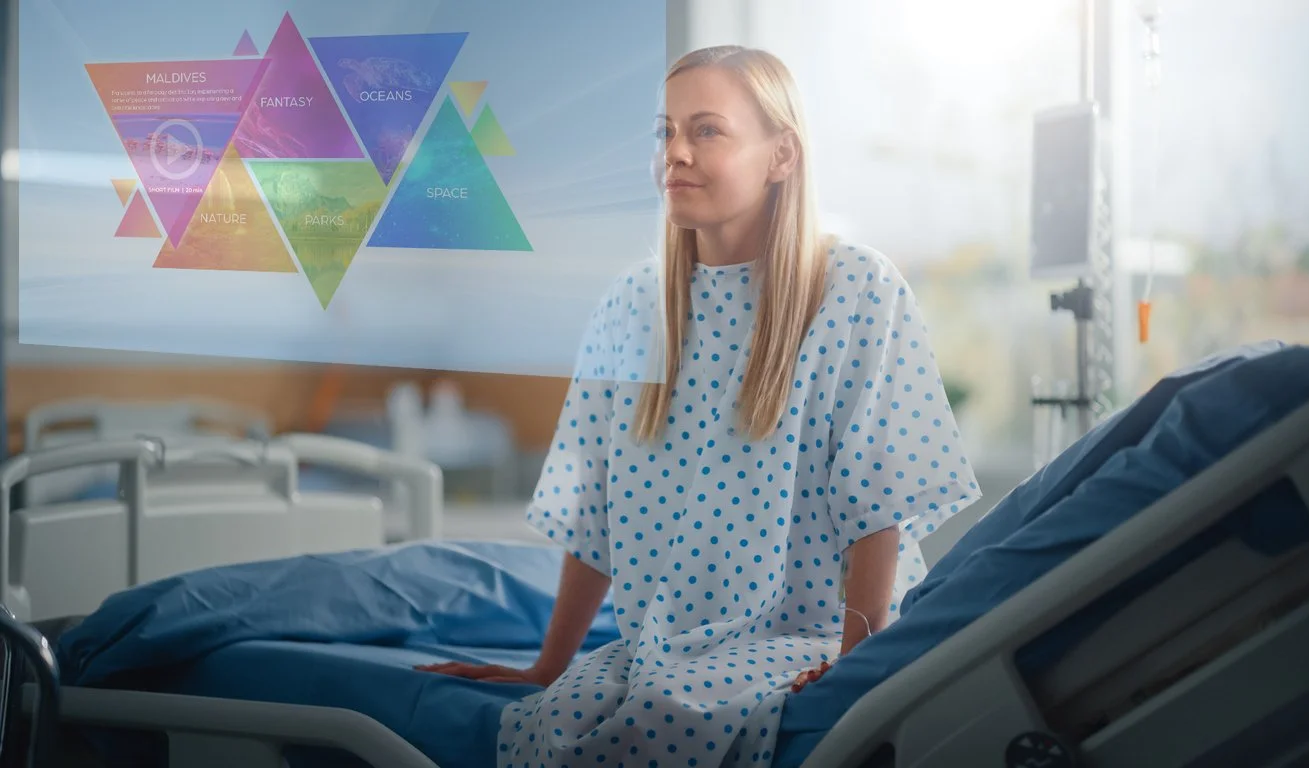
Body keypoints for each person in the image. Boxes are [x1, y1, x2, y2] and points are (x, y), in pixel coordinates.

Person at [418, 45, 981, 767]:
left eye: (706, 130)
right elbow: (592, 517)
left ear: (781, 155)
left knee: (658, 717)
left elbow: (880, 503)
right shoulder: (631, 308)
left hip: (805, 638)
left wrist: (855, 667)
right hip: (667, 638)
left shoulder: (855, 289)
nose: (674, 153)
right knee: (555, 724)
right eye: (664, 132)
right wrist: (548, 666)